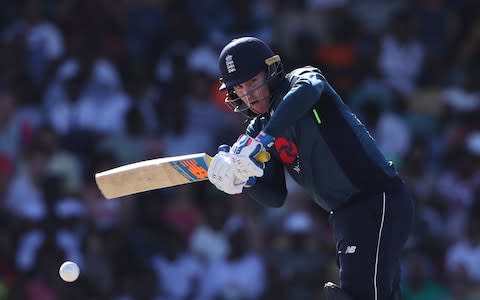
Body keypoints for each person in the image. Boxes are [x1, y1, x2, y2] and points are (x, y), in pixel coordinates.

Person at [207, 36, 415, 300]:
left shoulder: (301, 80)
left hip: (376, 199)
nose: (248, 94)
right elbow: (275, 196)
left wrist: (260, 141)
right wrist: (245, 179)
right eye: (239, 88)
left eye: (252, 81)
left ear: (271, 71)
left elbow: (309, 90)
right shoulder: (257, 129)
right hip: (344, 215)